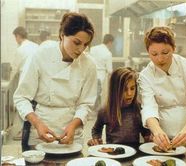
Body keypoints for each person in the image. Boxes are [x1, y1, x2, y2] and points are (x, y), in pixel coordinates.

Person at [13, 12, 97, 150]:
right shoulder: (40, 54)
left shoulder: (89, 65)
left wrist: (73, 125)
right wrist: (38, 124)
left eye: (85, 44)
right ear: (62, 35)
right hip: (41, 131)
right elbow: (21, 97)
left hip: (72, 134)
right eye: (76, 42)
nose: (81, 49)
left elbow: (86, 104)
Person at [138, 26, 186, 152]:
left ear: (174, 48)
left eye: (165, 52)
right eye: (154, 54)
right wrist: (157, 132)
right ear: (148, 52)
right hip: (162, 139)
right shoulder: (145, 75)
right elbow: (148, 106)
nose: (160, 59)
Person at [87, 67, 151, 146]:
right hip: (113, 153)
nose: (129, 93)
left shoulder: (139, 109)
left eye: (132, 88)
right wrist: (96, 139)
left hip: (134, 152)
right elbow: (96, 129)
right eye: (124, 89)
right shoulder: (105, 111)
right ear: (115, 90)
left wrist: (148, 137)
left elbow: (145, 132)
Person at [12, 26, 39, 140]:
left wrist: (9, 80)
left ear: (18, 36)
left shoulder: (21, 49)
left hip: (24, 78)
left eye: (15, 37)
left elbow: (14, 68)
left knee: (21, 102)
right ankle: (31, 129)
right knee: (33, 105)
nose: (16, 40)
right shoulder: (36, 46)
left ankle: (22, 131)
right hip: (37, 79)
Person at [89, 34, 114, 109]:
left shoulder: (93, 49)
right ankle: (95, 112)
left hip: (90, 74)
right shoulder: (108, 53)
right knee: (98, 96)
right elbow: (110, 70)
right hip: (100, 77)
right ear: (110, 42)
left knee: (90, 95)